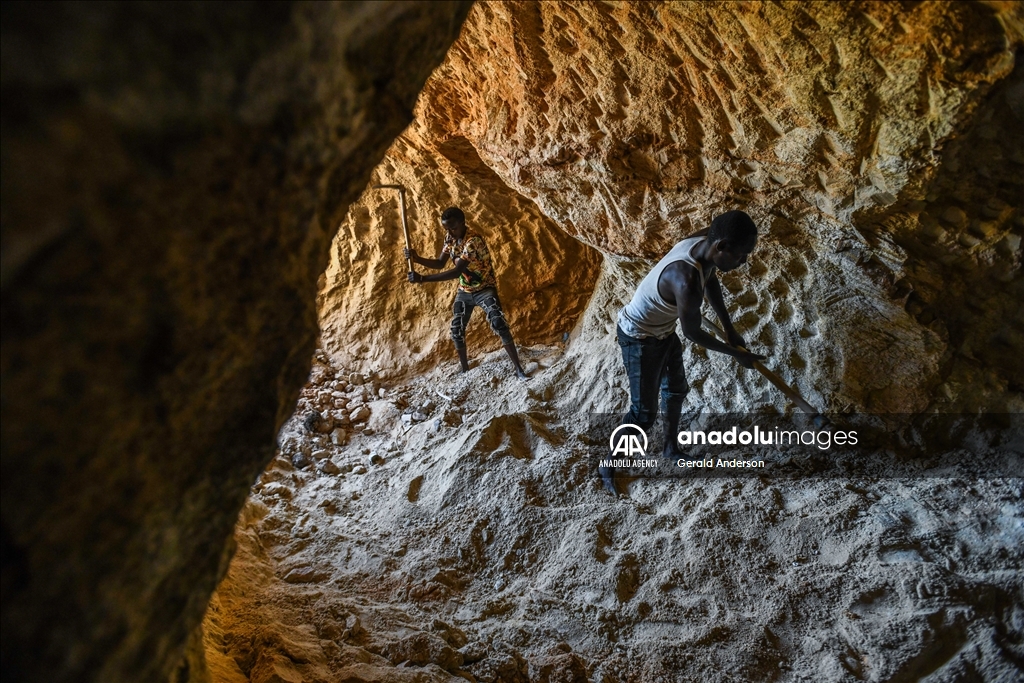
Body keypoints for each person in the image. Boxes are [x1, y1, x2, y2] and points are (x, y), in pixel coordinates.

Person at [602, 210, 766, 496]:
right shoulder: (686, 280)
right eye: (741, 255)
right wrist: (735, 352)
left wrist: (729, 329)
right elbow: (692, 332)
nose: (744, 262)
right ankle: (608, 464)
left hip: (663, 331)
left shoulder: (705, 242)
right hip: (639, 336)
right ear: (722, 246)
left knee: (675, 390)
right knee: (643, 414)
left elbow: (710, 277)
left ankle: (671, 449)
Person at [406, 207, 528, 379]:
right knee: (456, 329)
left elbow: (456, 272)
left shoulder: (474, 241)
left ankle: (519, 369)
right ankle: (465, 371)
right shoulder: (450, 237)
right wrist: (417, 259)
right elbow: (440, 263)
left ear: (463, 223)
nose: (449, 232)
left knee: (498, 322)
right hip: (465, 291)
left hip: (484, 289)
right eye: (446, 228)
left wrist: (422, 279)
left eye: (453, 227)